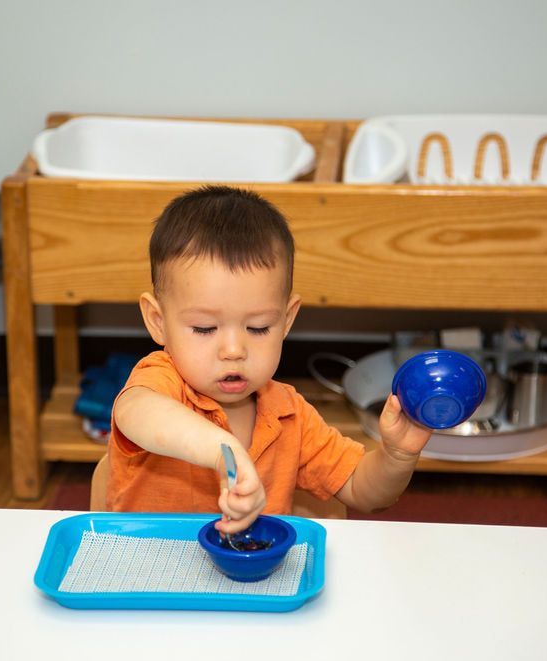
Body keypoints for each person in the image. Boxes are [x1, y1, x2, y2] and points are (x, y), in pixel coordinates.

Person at [106, 185, 431, 534]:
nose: (233, 350)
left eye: (259, 328)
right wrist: (223, 449)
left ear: (287, 320)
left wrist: (397, 456)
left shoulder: (291, 415)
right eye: (204, 328)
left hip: (254, 582)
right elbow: (135, 413)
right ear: (158, 321)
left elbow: (364, 493)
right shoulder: (161, 382)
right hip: (147, 573)